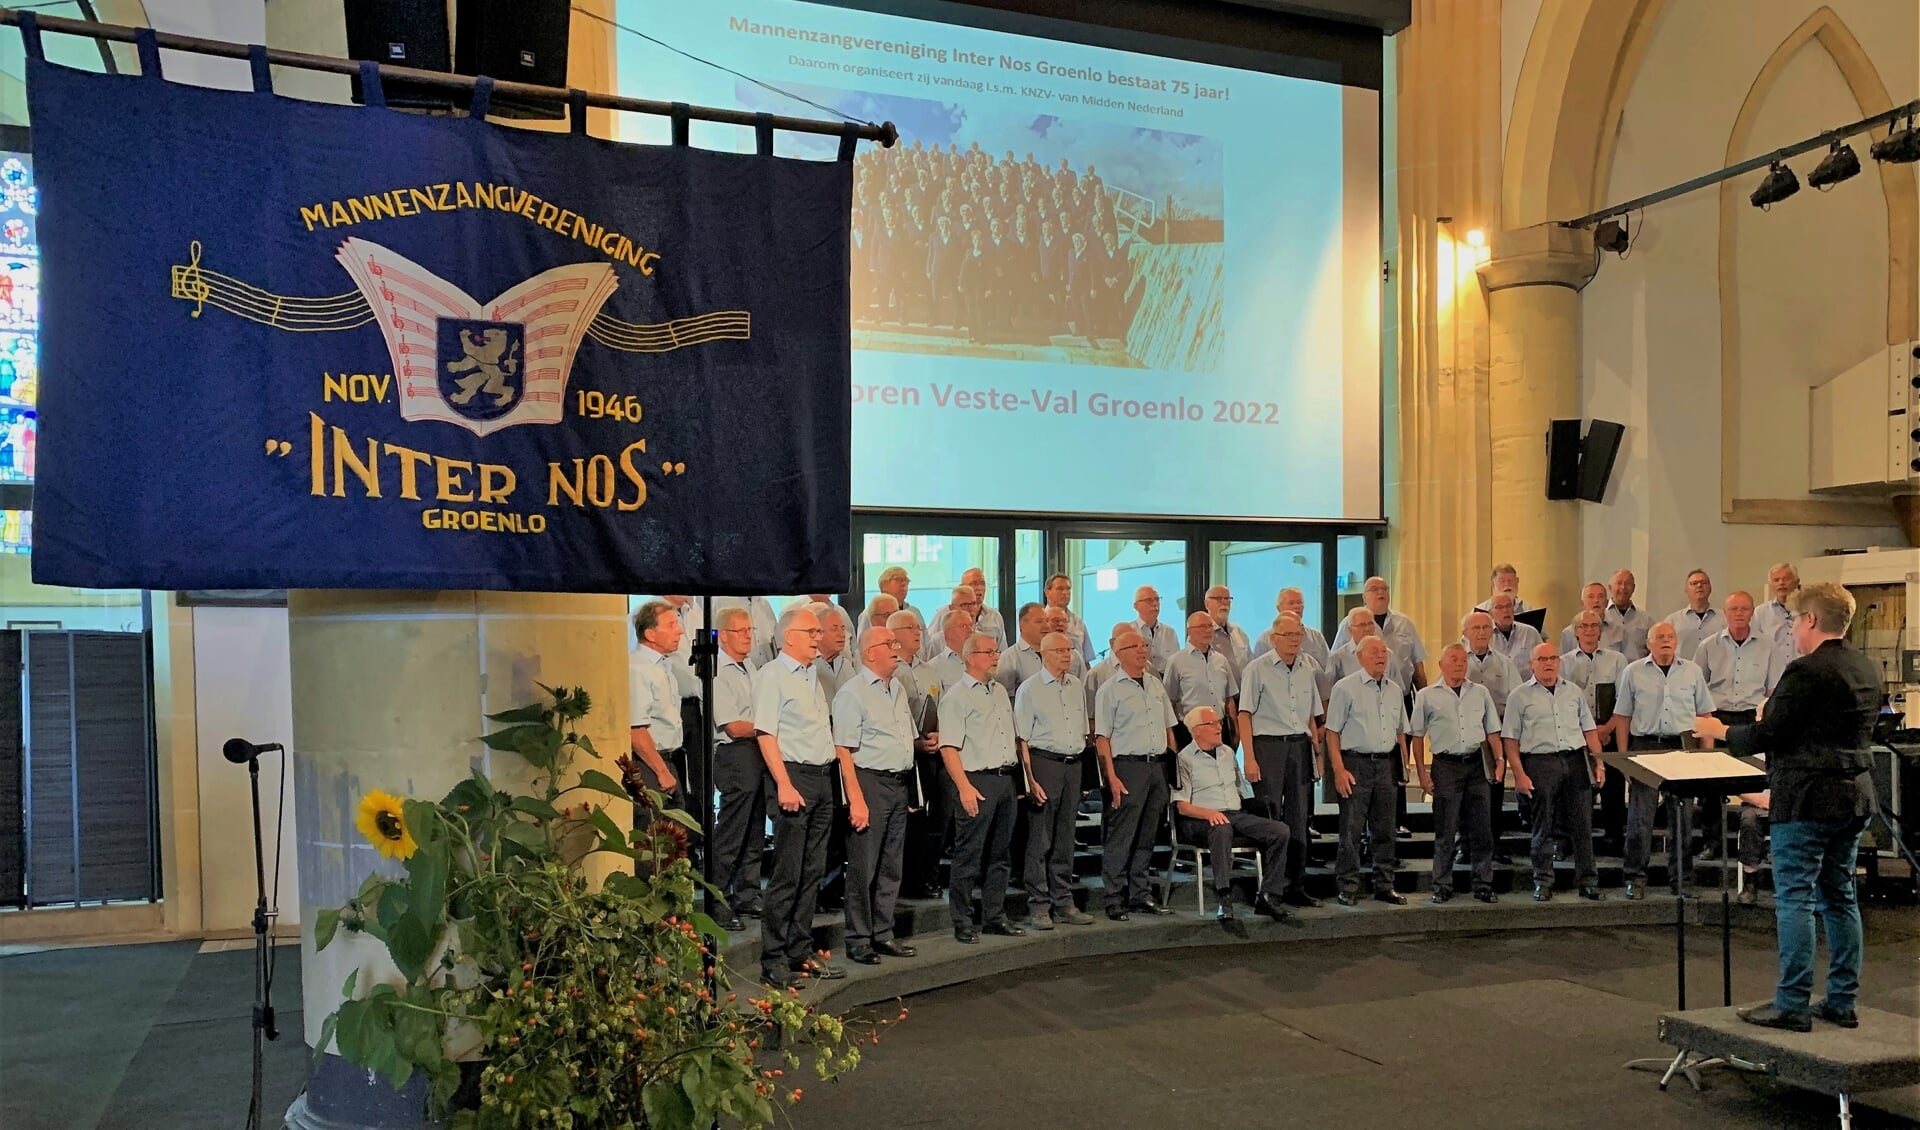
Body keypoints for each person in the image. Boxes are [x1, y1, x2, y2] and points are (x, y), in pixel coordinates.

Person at [1693, 582, 1877, 1032]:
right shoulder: (1866, 667)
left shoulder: (1804, 672)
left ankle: (1792, 1002)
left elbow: (1769, 733)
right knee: (1839, 895)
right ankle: (1842, 1000)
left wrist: (1719, 731)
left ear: (1811, 620)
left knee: (1795, 896)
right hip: (1854, 795)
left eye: (1795, 619)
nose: (1792, 627)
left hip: (1808, 798)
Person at [753, 608, 842, 986]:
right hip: (794, 778)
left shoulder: (812, 675)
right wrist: (785, 784)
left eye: (819, 631)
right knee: (787, 874)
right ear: (789, 636)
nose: (818, 637)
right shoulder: (773, 676)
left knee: (813, 871)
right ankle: (772, 958)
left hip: (822, 779)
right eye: (811, 631)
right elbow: (765, 734)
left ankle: (799, 951)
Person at [832, 627, 920, 965]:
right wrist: (856, 799)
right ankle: (858, 938)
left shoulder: (895, 688)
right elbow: (843, 750)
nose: (897, 649)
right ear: (870, 652)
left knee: (891, 866)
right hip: (869, 783)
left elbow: (903, 741)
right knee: (863, 868)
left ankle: (883, 933)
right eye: (890, 644)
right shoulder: (852, 694)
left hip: (897, 785)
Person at [1612, 622, 1716, 900]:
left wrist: (1705, 758)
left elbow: (1705, 716)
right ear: (1649, 643)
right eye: (1660, 637)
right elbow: (1622, 717)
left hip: (1682, 747)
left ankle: (1682, 880)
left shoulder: (1692, 671)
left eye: (1670, 636)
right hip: (1645, 747)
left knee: (1682, 820)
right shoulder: (1632, 672)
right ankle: (1635, 877)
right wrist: (1624, 758)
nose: (1666, 641)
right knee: (1639, 819)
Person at [1502, 643, 1607, 902]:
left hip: (1575, 760)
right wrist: (1518, 773)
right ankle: (1543, 881)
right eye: (1542, 659)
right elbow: (1510, 739)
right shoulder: (1519, 696)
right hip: (1539, 762)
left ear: (1559, 662)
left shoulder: (1573, 692)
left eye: (1552, 658)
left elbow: (1589, 730)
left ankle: (1588, 881)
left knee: (1583, 824)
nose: (1548, 663)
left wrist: (1599, 763)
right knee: (1543, 825)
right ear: (1532, 664)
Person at [939, 633, 1025, 944]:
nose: (996, 656)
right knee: (969, 854)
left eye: (996, 651)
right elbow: (948, 747)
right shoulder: (957, 697)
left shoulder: (999, 691)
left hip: (1004, 779)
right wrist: (963, 788)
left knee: (1001, 854)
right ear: (971, 656)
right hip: (976, 780)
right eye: (989, 652)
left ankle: (994, 916)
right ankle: (962, 920)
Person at [1171, 707, 1294, 921]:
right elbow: (1182, 806)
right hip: (1200, 819)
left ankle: (1268, 895)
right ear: (1196, 730)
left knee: (1279, 831)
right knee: (1221, 827)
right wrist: (1209, 813)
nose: (1219, 727)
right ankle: (1224, 896)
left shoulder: (1227, 752)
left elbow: (1241, 790)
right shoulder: (1184, 758)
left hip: (1234, 813)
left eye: (1219, 722)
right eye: (1212, 724)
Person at [1237, 615, 1324, 908]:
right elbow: (1244, 714)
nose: (1295, 639)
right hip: (1268, 746)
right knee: (1271, 818)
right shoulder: (1257, 669)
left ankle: (1295, 886)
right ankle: (1268, 890)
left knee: (1299, 818)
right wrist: (1248, 757)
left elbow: (1311, 716)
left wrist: (1317, 756)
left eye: (1298, 634)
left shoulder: (1307, 669)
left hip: (1299, 747)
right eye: (1288, 634)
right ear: (1274, 638)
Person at [1692, 591, 1785, 860]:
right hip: (1716, 717)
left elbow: (1773, 688)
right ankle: (1712, 842)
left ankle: (1761, 845)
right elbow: (1699, 688)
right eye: (1734, 609)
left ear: (1752, 612)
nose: (1739, 613)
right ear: (1725, 612)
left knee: (1756, 778)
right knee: (1711, 783)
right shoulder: (1708, 646)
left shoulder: (1768, 646)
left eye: (1744, 608)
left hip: (1750, 718)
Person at [1014, 631, 1096, 929]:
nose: (1068, 655)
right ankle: (1039, 905)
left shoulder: (1076, 686)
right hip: (1044, 764)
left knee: (1065, 838)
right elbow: (1021, 738)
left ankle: (1064, 901)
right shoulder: (1030, 689)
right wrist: (1030, 780)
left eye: (1070, 649)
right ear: (1044, 654)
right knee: (1040, 838)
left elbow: (1083, 734)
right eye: (1061, 650)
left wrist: (1084, 773)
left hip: (1072, 766)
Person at [1094, 628, 1177, 920]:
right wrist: (1111, 777)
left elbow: (1169, 729)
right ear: (1119, 653)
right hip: (1127, 767)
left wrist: (1172, 768)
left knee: (1147, 835)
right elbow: (1101, 737)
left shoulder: (1155, 685)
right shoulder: (1110, 690)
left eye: (1144, 645)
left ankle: (1140, 894)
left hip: (1157, 766)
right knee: (1122, 836)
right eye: (1134, 646)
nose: (1142, 650)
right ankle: (1113, 898)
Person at [1409, 644, 1502, 903]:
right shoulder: (1427, 695)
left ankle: (1483, 883)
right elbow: (1417, 736)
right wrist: (1421, 774)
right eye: (1454, 659)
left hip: (1476, 764)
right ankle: (1442, 885)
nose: (1460, 664)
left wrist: (1501, 759)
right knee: (1445, 829)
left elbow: (1492, 730)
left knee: (1482, 828)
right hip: (1445, 766)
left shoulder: (1480, 692)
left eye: (1463, 660)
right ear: (1441, 664)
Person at [1323, 637, 1409, 907]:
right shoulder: (1344, 688)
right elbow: (1332, 732)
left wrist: (1403, 766)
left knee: (1385, 829)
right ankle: (1348, 886)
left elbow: (1400, 732)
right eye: (1374, 651)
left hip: (1386, 764)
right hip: (1355, 763)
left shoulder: (1395, 689)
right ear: (1360, 657)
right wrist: (1338, 770)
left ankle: (1384, 885)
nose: (1380, 656)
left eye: (1384, 651)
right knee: (1351, 829)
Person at [707, 607, 763, 929]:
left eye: (750, 630)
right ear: (723, 635)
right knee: (731, 831)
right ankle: (717, 900)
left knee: (754, 829)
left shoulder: (751, 667)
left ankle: (748, 894)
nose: (748, 636)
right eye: (740, 630)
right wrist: (769, 725)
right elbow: (732, 726)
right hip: (735, 753)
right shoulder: (717, 670)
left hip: (757, 751)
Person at [1560, 608, 1629, 852]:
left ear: (1600, 631)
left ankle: (1614, 838)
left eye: (1594, 626)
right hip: (1576, 733)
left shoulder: (1617, 659)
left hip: (1608, 729)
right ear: (1576, 632)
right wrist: (1584, 733)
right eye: (1584, 626)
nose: (1589, 630)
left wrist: (1606, 729)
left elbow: (1624, 700)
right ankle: (1571, 841)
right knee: (1576, 791)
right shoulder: (1564, 662)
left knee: (1613, 787)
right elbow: (1561, 700)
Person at [627, 601, 686, 808]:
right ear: (651, 634)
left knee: (676, 832)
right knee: (654, 831)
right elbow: (636, 729)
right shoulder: (638, 669)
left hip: (667, 761)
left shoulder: (662, 667)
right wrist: (661, 771)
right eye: (671, 625)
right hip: (648, 765)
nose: (679, 631)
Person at [1330, 576, 1429, 690]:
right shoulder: (1350, 622)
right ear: (1364, 596)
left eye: (1384, 589)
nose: (1380, 592)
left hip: (1399, 692)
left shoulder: (1404, 623)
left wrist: (1423, 696)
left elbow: (1418, 664)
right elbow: (1336, 659)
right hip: (1359, 695)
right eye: (1374, 589)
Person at [1162, 611, 1239, 750]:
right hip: (1189, 732)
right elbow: (1168, 702)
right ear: (1189, 630)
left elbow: (1229, 699)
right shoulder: (1176, 661)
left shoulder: (1221, 660)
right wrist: (1171, 737)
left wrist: (1236, 731)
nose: (1208, 630)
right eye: (1202, 626)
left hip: (1220, 729)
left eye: (1210, 626)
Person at [1251, 587, 1331, 669]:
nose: (1296, 606)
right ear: (1278, 608)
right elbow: (1258, 669)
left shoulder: (1317, 637)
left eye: (1299, 602)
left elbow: (1327, 669)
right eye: (1291, 603)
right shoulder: (1265, 639)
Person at [1665, 569, 1724, 661]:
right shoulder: (1672, 621)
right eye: (1694, 583)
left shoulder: (1724, 618)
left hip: (1716, 673)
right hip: (1682, 673)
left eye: (1703, 583)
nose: (1699, 585)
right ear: (1686, 590)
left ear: (1710, 588)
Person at [995, 602, 1048, 696]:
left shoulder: (1054, 654)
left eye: (1047, 621)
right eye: (1039, 621)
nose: (1046, 626)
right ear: (1022, 625)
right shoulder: (1008, 658)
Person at [1752, 562, 1804, 658]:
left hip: (1803, 668)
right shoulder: (1760, 612)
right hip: (1775, 670)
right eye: (1776, 580)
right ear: (1771, 585)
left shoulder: (1809, 609)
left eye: (1786, 579)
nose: (1781, 583)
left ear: (1797, 582)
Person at [1043, 572, 1095, 664]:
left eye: (1068, 589)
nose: (1065, 593)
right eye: (1060, 589)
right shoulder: (1040, 620)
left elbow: (1086, 659)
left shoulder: (1078, 622)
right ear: (1047, 592)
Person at [1129, 585, 1180, 676]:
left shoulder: (1170, 632)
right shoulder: (1128, 632)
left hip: (1166, 686)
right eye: (1149, 600)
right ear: (1136, 606)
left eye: (1157, 599)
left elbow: (1177, 665)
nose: (1155, 604)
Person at [1605, 570, 1653, 662]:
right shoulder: (1601, 617)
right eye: (1619, 583)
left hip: (1636, 673)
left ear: (1634, 588)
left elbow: (1653, 649)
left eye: (1628, 584)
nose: (1623, 587)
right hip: (1607, 673)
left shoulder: (1646, 619)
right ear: (1610, 587)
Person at [1204, 584, 1251, 678]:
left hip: (1243, 690)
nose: (1224, 603)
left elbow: (1251, 664)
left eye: (1227, 598)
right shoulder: (1202, 633)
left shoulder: (1239, 632)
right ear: (1207, 604)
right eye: (1219, 598)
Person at [1487, 593, 1542, 668]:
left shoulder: (1530, 633)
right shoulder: (1484, 635)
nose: (1505, 610)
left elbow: (1543, 661)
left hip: (1524, 679)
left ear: (1513, 609)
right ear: (1490, 614)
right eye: (1499, 607)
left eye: (1509, 606)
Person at [1559, 582, 1611, 654]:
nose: (1596, 600)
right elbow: (1563, 662)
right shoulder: (1568, 633)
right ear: (1582, 603)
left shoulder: (1618, 628)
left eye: (1600, 596)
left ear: (1607, 602)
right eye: (1591, 596)